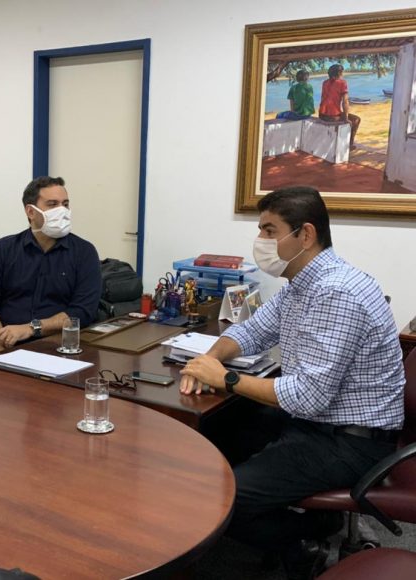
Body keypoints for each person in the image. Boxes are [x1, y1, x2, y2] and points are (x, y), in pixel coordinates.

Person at [179, 186, 404, 578]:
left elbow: (307, 397)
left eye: (270, 231)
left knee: (223, 499)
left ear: (306, 234)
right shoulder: (303, 283)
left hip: (350, 441)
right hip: (320, 423)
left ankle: (306, 540)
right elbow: (252, 331)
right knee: (214, 440)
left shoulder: (336, 292)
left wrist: (225, 378)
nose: (260, 241)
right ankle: (302, 522)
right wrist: (209, 358)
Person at [0, 176, 101, 365]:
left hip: (54, 342)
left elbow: (82, 312)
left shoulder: (84, 253)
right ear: (30, 211)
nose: (62, 211)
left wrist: (31, 328)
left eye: (65, 204)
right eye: (52, 204)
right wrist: (1, 353)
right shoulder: (3, 249)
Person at [318, 64, 361, 149]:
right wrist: (346, 118)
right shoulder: (342, 83)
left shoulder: (325, 83)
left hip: (322, 115)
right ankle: (349, 144)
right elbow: (345, 102)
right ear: (339, 73)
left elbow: (323, 98)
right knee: (356, 120)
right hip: (332, 116)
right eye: (342, 72)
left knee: (342, 115)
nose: (343, 74)